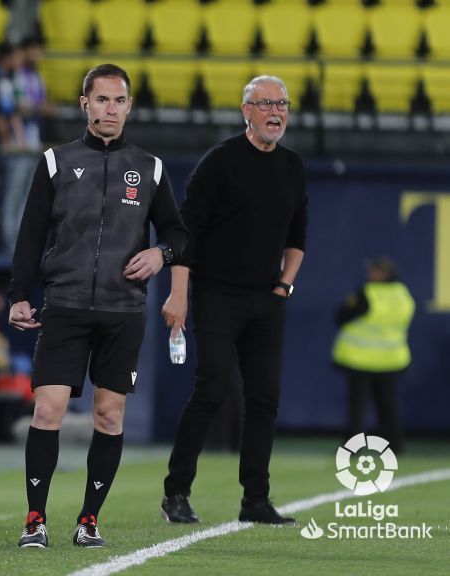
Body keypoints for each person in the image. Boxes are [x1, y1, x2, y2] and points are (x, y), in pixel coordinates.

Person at [8, 63, 187, 548]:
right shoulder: (56, 161)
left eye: (119, 100)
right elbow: (30, 233)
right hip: (64, 305)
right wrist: (19, 294)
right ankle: (35, 519)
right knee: (48, 410)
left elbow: (178, 233)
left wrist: (161, 254)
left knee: (109, 416)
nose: (110, 109)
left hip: (122, 311)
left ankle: (88, 520)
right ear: (84, 104)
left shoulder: (149, 167)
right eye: (102, 99)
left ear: (129, 107)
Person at [160, 75, 308, 526]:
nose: (275, 112)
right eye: (265, 104)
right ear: (246, 111)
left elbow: (297, 236)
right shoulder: (219, 162)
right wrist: (178, 295)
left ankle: (255, 500)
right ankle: (176, 492)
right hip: (218, 294)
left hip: (267, 299)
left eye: (282, 104)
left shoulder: (292, 165)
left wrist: (283, 286)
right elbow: (185, 234)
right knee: (211, 390)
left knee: (264, 399)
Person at [332, 256, 414, 454]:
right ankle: (395, 445)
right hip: (392, 359)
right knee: (388, 405)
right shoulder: (403, 293)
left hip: (361, 359)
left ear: (382, 273)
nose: (369, 273)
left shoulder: (367, 292)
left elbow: (342, 316)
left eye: (373, 270)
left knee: (358, 407)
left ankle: (353, 447)